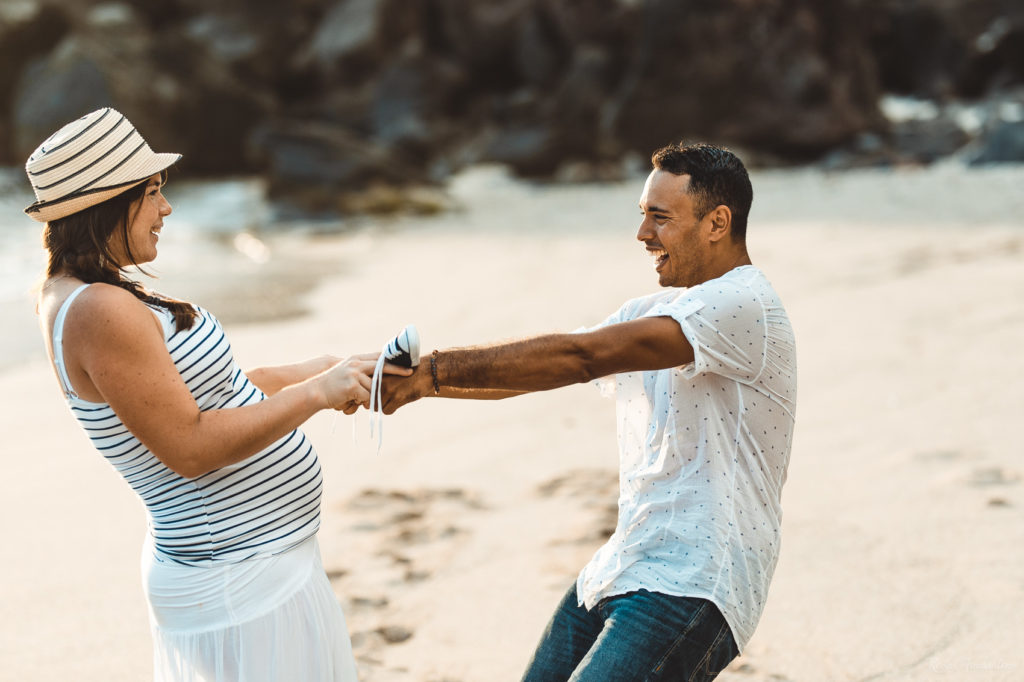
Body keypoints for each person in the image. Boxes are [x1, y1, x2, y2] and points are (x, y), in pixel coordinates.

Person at [380, 142, 797, 680]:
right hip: (624, 561)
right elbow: (546, 369)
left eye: (660, 218)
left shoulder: (744, 305)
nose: (643, 234)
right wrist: (416, 386)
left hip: (696, 581)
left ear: (718, 222)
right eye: (643, 215)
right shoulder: (653, 310)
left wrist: (433, 370)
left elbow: (580, 358)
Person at [25, 108, 409, 681]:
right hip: (237, 583)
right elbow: (190, 446)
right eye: (153, 191)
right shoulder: (99, 310)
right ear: (108, 201)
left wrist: (322, 369)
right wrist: (316, 395)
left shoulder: (85, 295)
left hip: (252, 570)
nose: (167, 208)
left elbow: (209, 394)